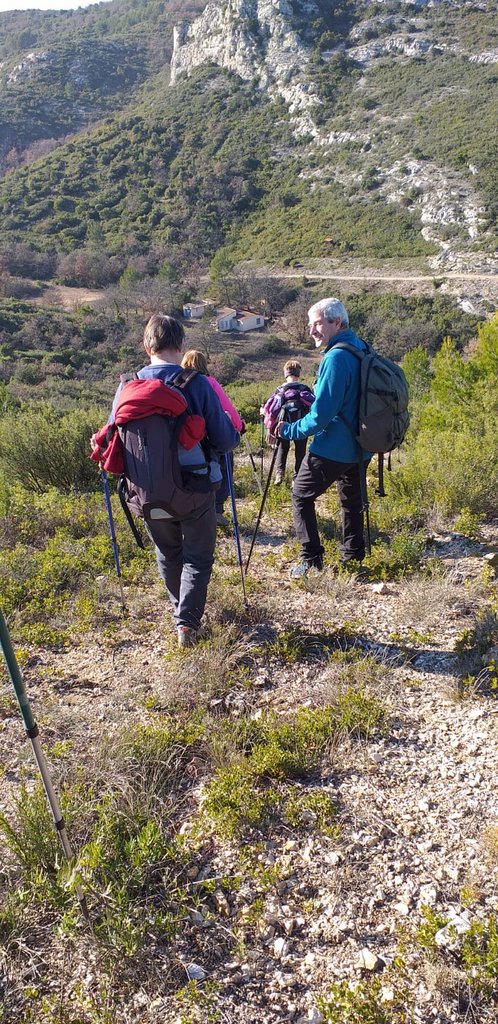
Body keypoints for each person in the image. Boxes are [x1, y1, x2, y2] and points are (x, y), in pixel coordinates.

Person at [108, 315, 239, 646]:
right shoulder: (196, 384)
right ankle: (187, 624)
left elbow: (112, 442)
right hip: (193, 493)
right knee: (197, 556)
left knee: (168, 553)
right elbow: (224, 442)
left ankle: (181, 614)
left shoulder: (126, 387)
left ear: (146, 346)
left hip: (144, 496)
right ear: (181, 345)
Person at [275, 298, 370, 579]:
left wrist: (288, 431)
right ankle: (353, 557)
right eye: (310, 324)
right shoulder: (362, 348)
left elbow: (320, 416)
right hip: (362, 445)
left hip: (332, 448)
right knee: (351, 501)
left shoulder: (336, 357)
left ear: (336, 322)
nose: (312, 330)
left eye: (317, 323)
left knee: (300, 496)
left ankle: (311, 558)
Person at [181, 349, 244, 528]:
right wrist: (238, 427)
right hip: (211, 438)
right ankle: (216, 510)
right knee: (224, 467)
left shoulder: (176, 383)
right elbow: (227, 408)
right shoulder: (208, 382)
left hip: (187, 440)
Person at [261, 360, 314, 485]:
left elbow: (271, 410)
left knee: (282, 448)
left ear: (286, 373)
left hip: (282, 424)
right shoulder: (304, 389)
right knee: (300, 451)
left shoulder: (280, 390)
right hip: (301, 425)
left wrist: (269, 428)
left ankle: (279, 474)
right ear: (298, 373)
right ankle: (297, 478)